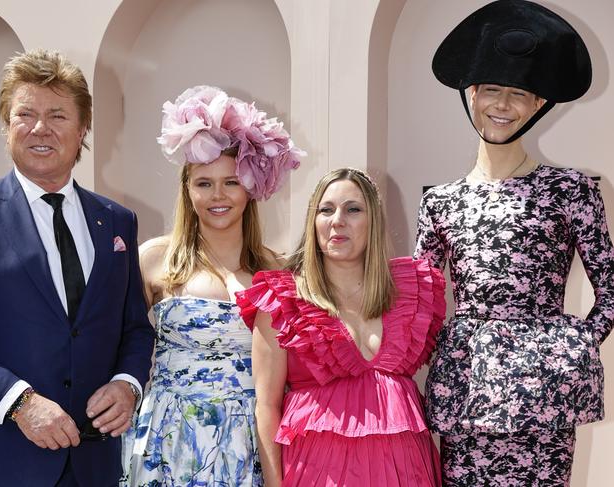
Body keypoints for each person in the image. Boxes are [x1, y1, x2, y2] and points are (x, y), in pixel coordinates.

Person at [414, 1, 614, 485]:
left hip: (545, 399)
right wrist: (447, 347)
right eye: (492, 90)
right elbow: (418, 302)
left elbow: (610, 291)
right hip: (465, 392)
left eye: (519, 93)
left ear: (538, 105)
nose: (502, 105)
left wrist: (571, 346)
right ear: (472, 93)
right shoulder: (440, 201)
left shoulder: (571, 189)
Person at [0, 49, 155, 486]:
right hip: (3, 463)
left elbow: (135, 329)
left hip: (96, 465)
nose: (39, 128)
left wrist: (128, 384)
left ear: (83, 127)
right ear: (6, 126)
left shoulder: (118, 221)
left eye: (57, 115)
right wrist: (19, 403)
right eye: (24, 114)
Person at [122, 85, 303, 486]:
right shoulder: (154, 259)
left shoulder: (278, 271)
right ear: (187, 189)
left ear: (251, 189)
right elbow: (120, 346)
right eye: (204, 183)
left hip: (250, 446)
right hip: (169, 442)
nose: (217, 196)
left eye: (231, 182)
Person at [236, 167, 445, 486]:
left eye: (353, 209)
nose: (337, 220)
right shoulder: (282, 301)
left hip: (406, 471)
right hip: (317, 474)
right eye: (326, 210)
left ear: (373, 221)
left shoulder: (410, 293)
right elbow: (266, 407)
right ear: (314, 222)